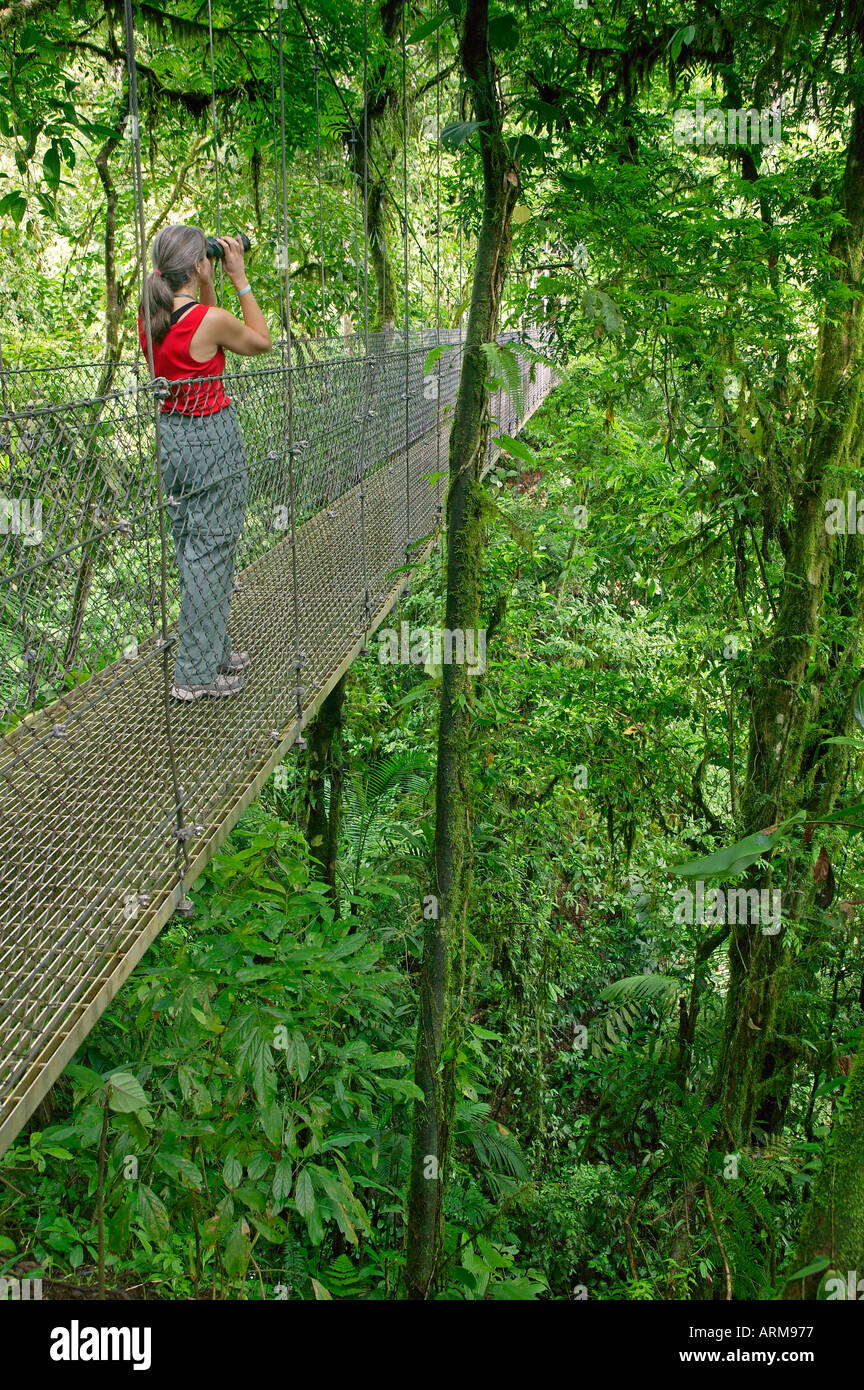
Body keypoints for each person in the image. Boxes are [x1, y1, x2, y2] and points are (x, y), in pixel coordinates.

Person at [137, 224, 272, 700]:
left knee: (198, 549)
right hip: (211, 441)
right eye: (207, 260)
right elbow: (260, 340)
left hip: (172, 438)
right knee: (210, 552)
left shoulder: (150, 312)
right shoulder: (208, 320)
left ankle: (212, 648)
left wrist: (210, 280)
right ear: (198, 265)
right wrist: (240, 279)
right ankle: (195, 675)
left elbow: (205, 318)